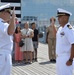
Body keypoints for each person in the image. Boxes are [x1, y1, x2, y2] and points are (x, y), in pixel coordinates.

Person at [52, 8, 74, 75]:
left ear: (65, 18)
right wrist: (53, 25)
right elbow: (56, 35)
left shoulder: (69, 29)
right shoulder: (61, 28)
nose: (58, 19)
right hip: (59, 57)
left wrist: (71, 59)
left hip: (66, 57)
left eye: (60, 17)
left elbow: (73, 44)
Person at [0, 3, 15, 75]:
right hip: (3, 55)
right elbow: (10, 31)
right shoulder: (1, 23)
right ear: (3, 13)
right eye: (9, 12)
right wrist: (13, 20)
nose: (10, 15)